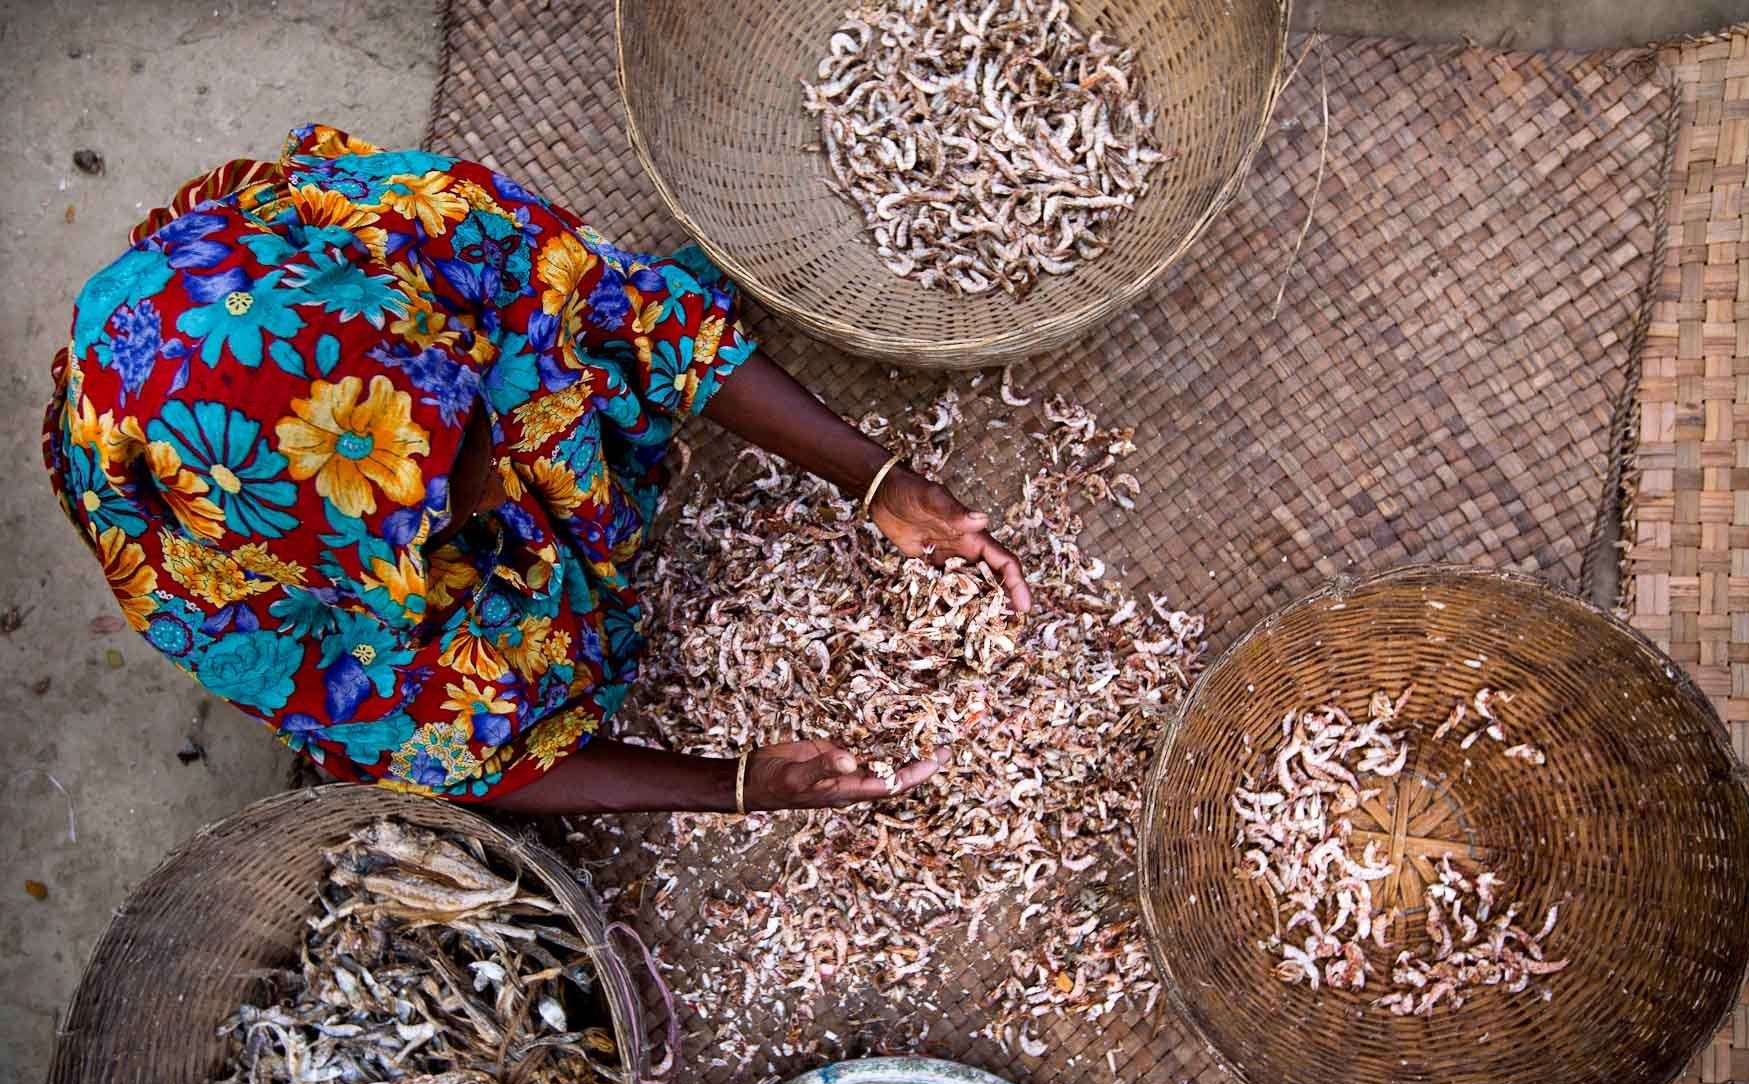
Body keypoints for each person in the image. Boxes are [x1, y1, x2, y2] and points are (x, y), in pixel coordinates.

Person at [44, 124, 1031, 816]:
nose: (493, 480)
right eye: (432, 506)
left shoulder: (407, 241)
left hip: (383, 351)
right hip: (350, 580)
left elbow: (636, 312)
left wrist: (874, 478)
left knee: (566, 336)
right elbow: (447, 759)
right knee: (437, 713)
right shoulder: (221, 600)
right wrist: (729, 786)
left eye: (466, 432)